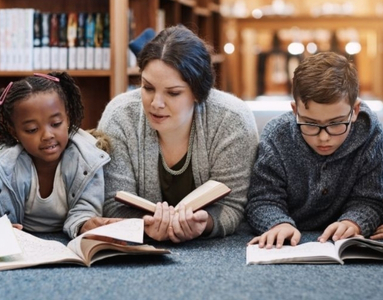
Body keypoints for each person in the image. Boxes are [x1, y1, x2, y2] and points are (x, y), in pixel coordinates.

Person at [97, 25, 259, 243]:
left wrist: (205, 224)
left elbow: (233, 206)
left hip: (214, 252)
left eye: (173, 93)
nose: (156, 103)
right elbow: (112, 203)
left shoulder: (232, 119)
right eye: (148, 88)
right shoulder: (120, 116)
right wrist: (144, 227)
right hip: (140, 252)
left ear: (198, 92)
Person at [246, 51, 383, 249]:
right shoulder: (277, 136)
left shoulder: (372, 136)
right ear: (295, 111)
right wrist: (277, 222)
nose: (323, 137)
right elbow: (262, 198)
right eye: (310, 124)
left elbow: (370, 199)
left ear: (354, 111)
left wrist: (354, 221)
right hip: (290, 242)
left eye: (336, 124)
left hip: (340, 244)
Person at [0, 72, 111, 239]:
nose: (47, 135)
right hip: (23, 242)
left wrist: (85, 224)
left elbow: (85, 207)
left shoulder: (87, 159)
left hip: (68, 240)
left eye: (56, 124)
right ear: (15, 133)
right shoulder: (2, 167)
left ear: (68, 118)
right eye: (32, 130)